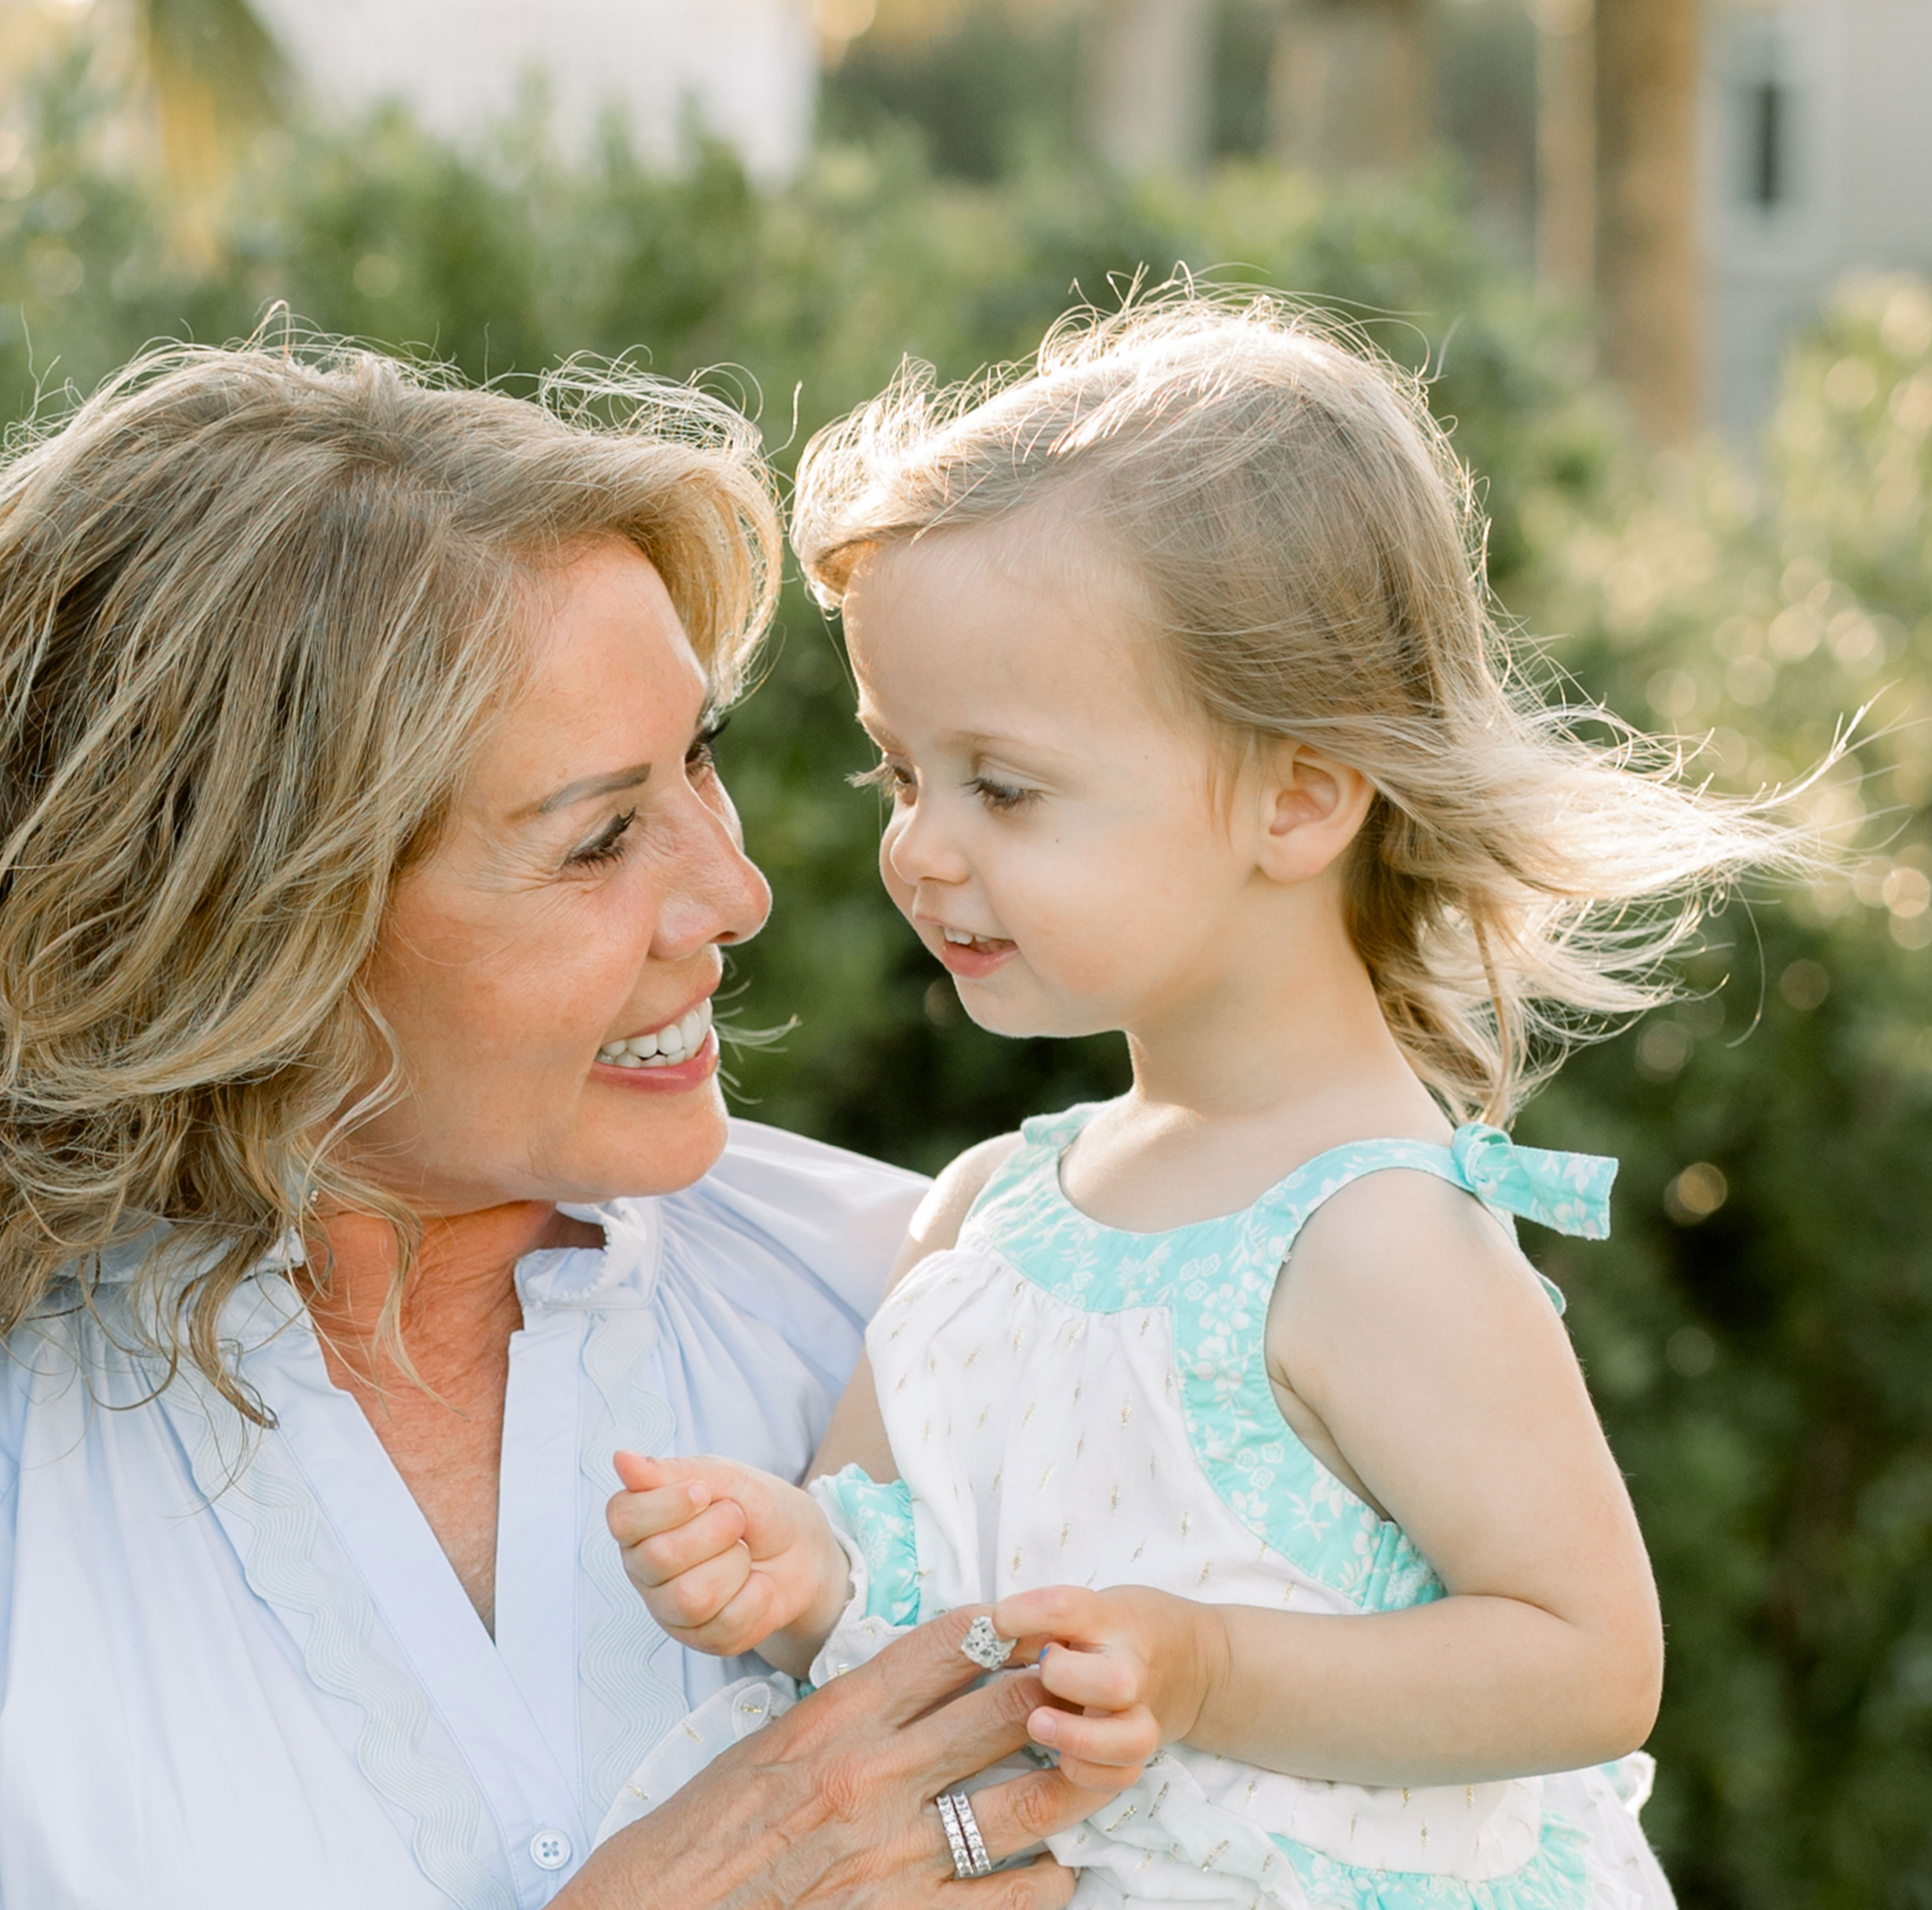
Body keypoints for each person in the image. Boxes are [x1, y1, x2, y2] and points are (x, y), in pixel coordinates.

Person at [0, 341, 1107, 1909]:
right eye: (600, 840)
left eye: (700, 767)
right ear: (249, 931)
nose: (736, 895)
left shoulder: (947, 1316)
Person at [609, 297, 1806, 1902]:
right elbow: (922, 1602)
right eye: (903, 774)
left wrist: (1205, 1671)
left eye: (1006, 787)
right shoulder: (988, 1219)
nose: (926, 848)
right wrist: (804, 1569)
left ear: (1299, 795)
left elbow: (1586, 1662)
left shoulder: (1372, 1235)